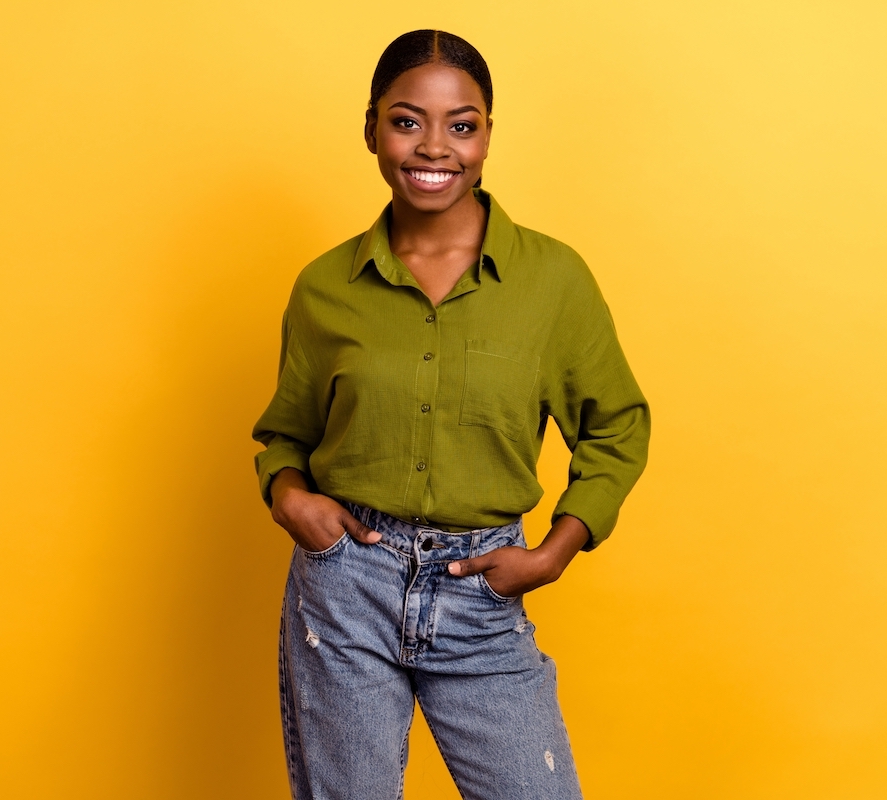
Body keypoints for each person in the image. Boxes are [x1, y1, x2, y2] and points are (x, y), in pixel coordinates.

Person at [252, 29, 650, 800]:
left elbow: (616, 426)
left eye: (461, 125)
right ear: (371, 128)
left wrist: (554, 552)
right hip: (347, 585)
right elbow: (288, 436)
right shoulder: (324, 288)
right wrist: (288, 495)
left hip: (481, 587)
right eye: (407, 121)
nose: (434, 147)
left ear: (487, 135)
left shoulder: (552, 281)